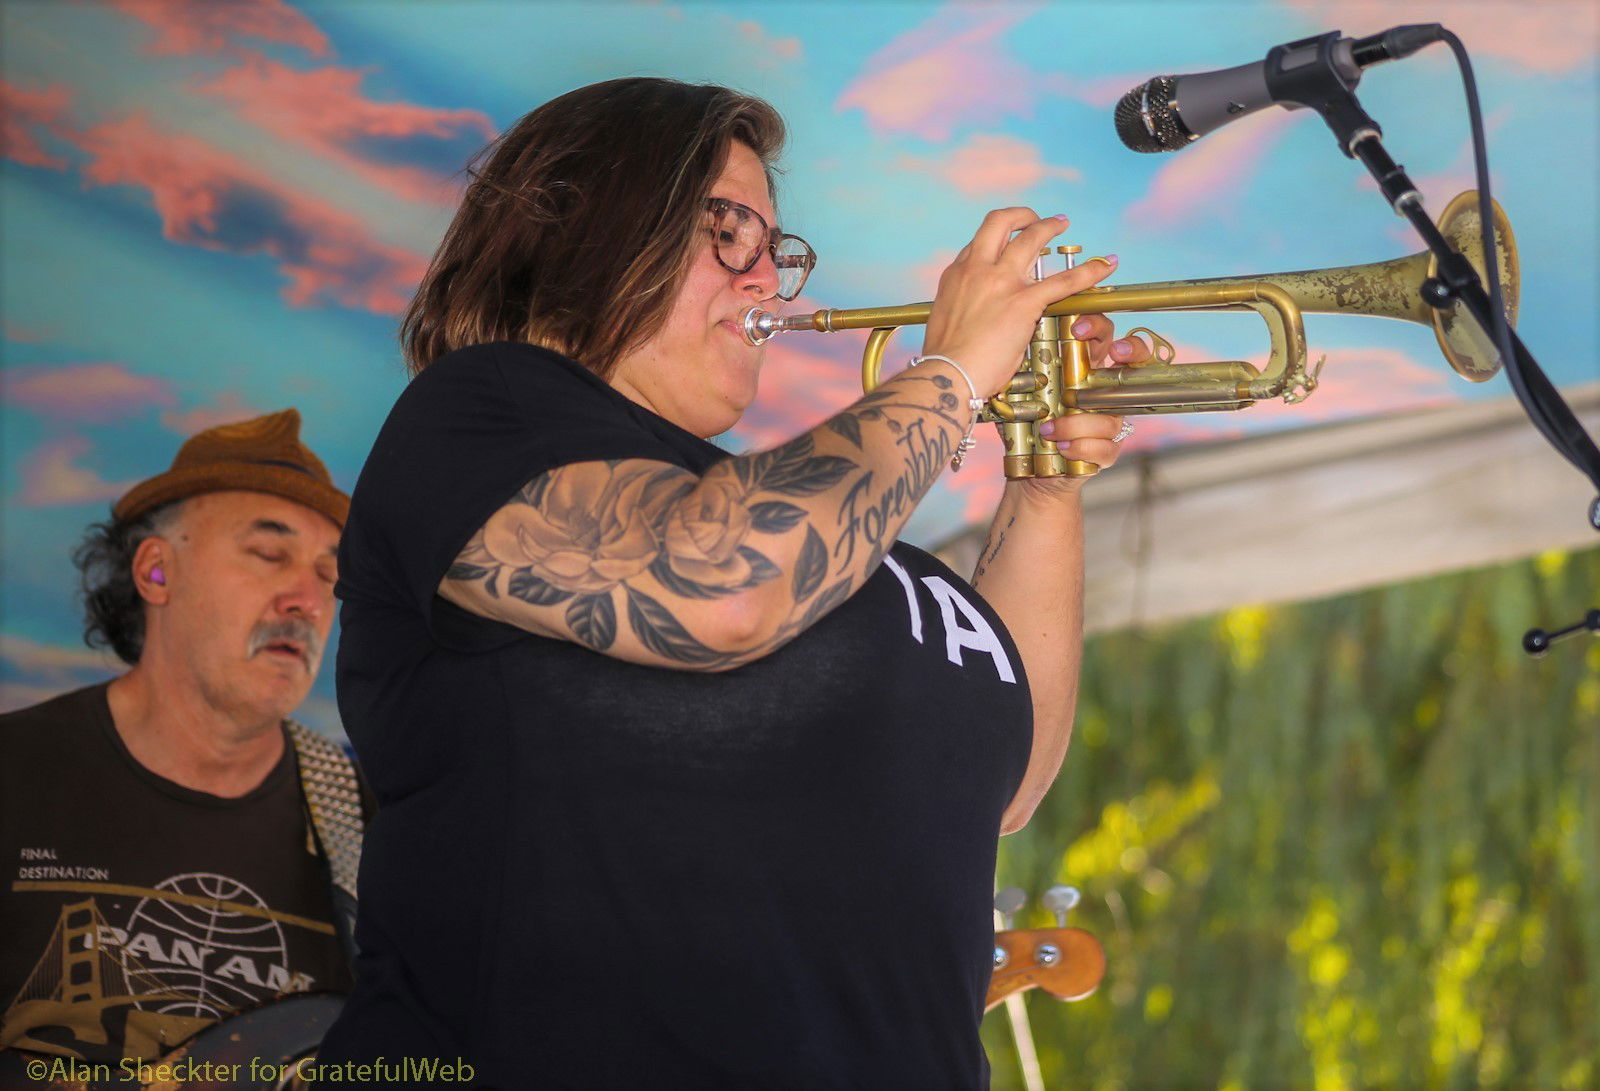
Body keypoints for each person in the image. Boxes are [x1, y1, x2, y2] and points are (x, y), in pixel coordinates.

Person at [320, 77, 1145, 1089]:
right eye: (727, 232)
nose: (767, 281)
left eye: (773, 246)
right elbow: (720, 585)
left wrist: (1044, 474)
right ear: (588, 222)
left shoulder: (830, 525)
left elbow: (1008, 783)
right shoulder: (480, 413)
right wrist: (955, 371)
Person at [0, 410, 368, 1069]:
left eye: (328, 574)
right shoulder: (14, 769)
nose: (308, 601)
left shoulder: (367, 822)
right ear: (156, 573)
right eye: (269, 554)